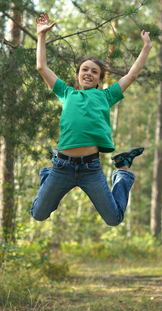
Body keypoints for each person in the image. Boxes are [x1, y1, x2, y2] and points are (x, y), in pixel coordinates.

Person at [31, 12, 152, 226]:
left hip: (91, 169)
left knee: (114, 218)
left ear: (99, 79)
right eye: (84, 70)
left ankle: (122, 170)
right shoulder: (66, 93)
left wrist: (145, 49)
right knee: (38, 213)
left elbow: (131, 75)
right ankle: (48, 172)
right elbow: (42, 67)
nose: (89, 73)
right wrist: (41, 36)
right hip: (62, 168)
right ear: (77, 75)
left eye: (94, 71)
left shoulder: (106, 96)